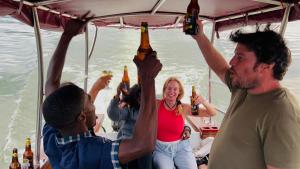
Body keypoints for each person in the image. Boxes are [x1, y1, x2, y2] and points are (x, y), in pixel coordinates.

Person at [42, 13, 162, 169]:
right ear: (82, 117)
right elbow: (144, 144)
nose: (94, 105)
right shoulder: (91, 152)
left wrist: (68, 34)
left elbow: (51, 83)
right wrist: (148, 78)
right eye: (90, 102)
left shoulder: (54, 134)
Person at [190, 20, 300, 169]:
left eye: (240, 57)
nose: (231, 62)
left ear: (265, 66)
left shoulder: (282, 112)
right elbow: (221, 68)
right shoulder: (242, 87)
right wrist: (200, 37)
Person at [153, 77, 217, 169]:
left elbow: (212, 113)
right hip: (161, 149)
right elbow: (140, 102)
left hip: (181, 147)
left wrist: (203, 101)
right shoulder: (156, 104)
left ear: (179, 92)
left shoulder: (184, 108)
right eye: (169, 88)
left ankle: (198, 162)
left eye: (175, 89)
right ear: (164, 90)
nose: (171, 91)